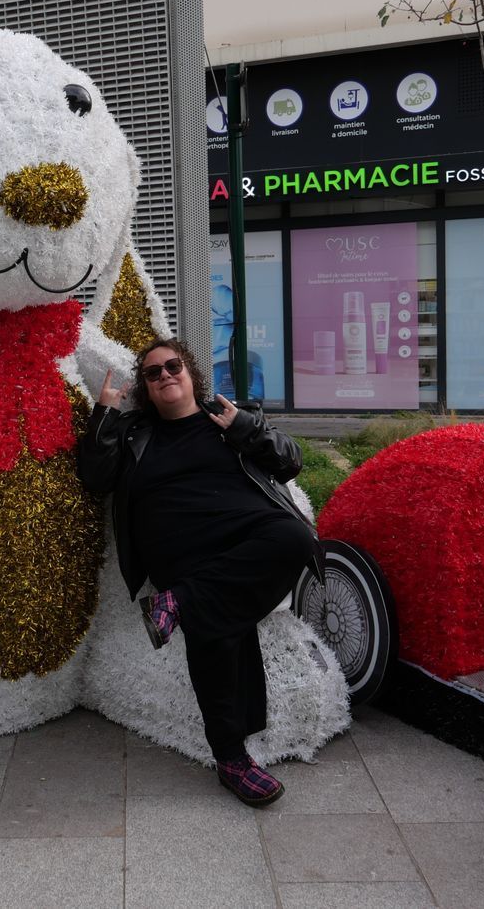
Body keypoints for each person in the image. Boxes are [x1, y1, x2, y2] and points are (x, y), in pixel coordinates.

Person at [77, 338, 323, 807]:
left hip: (245, 533)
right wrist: (105, 414)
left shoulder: (228, 418)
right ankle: (232, 757)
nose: (165, 375)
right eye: (153, 373)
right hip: (180, 547)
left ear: (190, 374)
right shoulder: (133, 434)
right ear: (146, 389)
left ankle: (180, 602)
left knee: (294, 539)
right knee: (219, 626)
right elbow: (94, 476)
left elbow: (290, 462)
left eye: (173, 366)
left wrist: (246, 428)